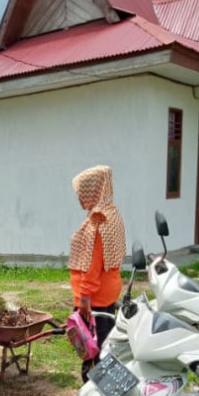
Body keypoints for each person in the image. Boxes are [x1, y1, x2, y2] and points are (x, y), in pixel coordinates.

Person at [68, 164, 127, 382]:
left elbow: (91, 265)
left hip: (94, 298)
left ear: (94, 190)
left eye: (82, 191)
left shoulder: (98, 222)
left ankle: (93, 393)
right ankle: (106, 388)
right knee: (104, 345)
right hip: (107, 293)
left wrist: (84, 298)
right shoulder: (112, 213)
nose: (79, 196)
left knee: (91, 350)